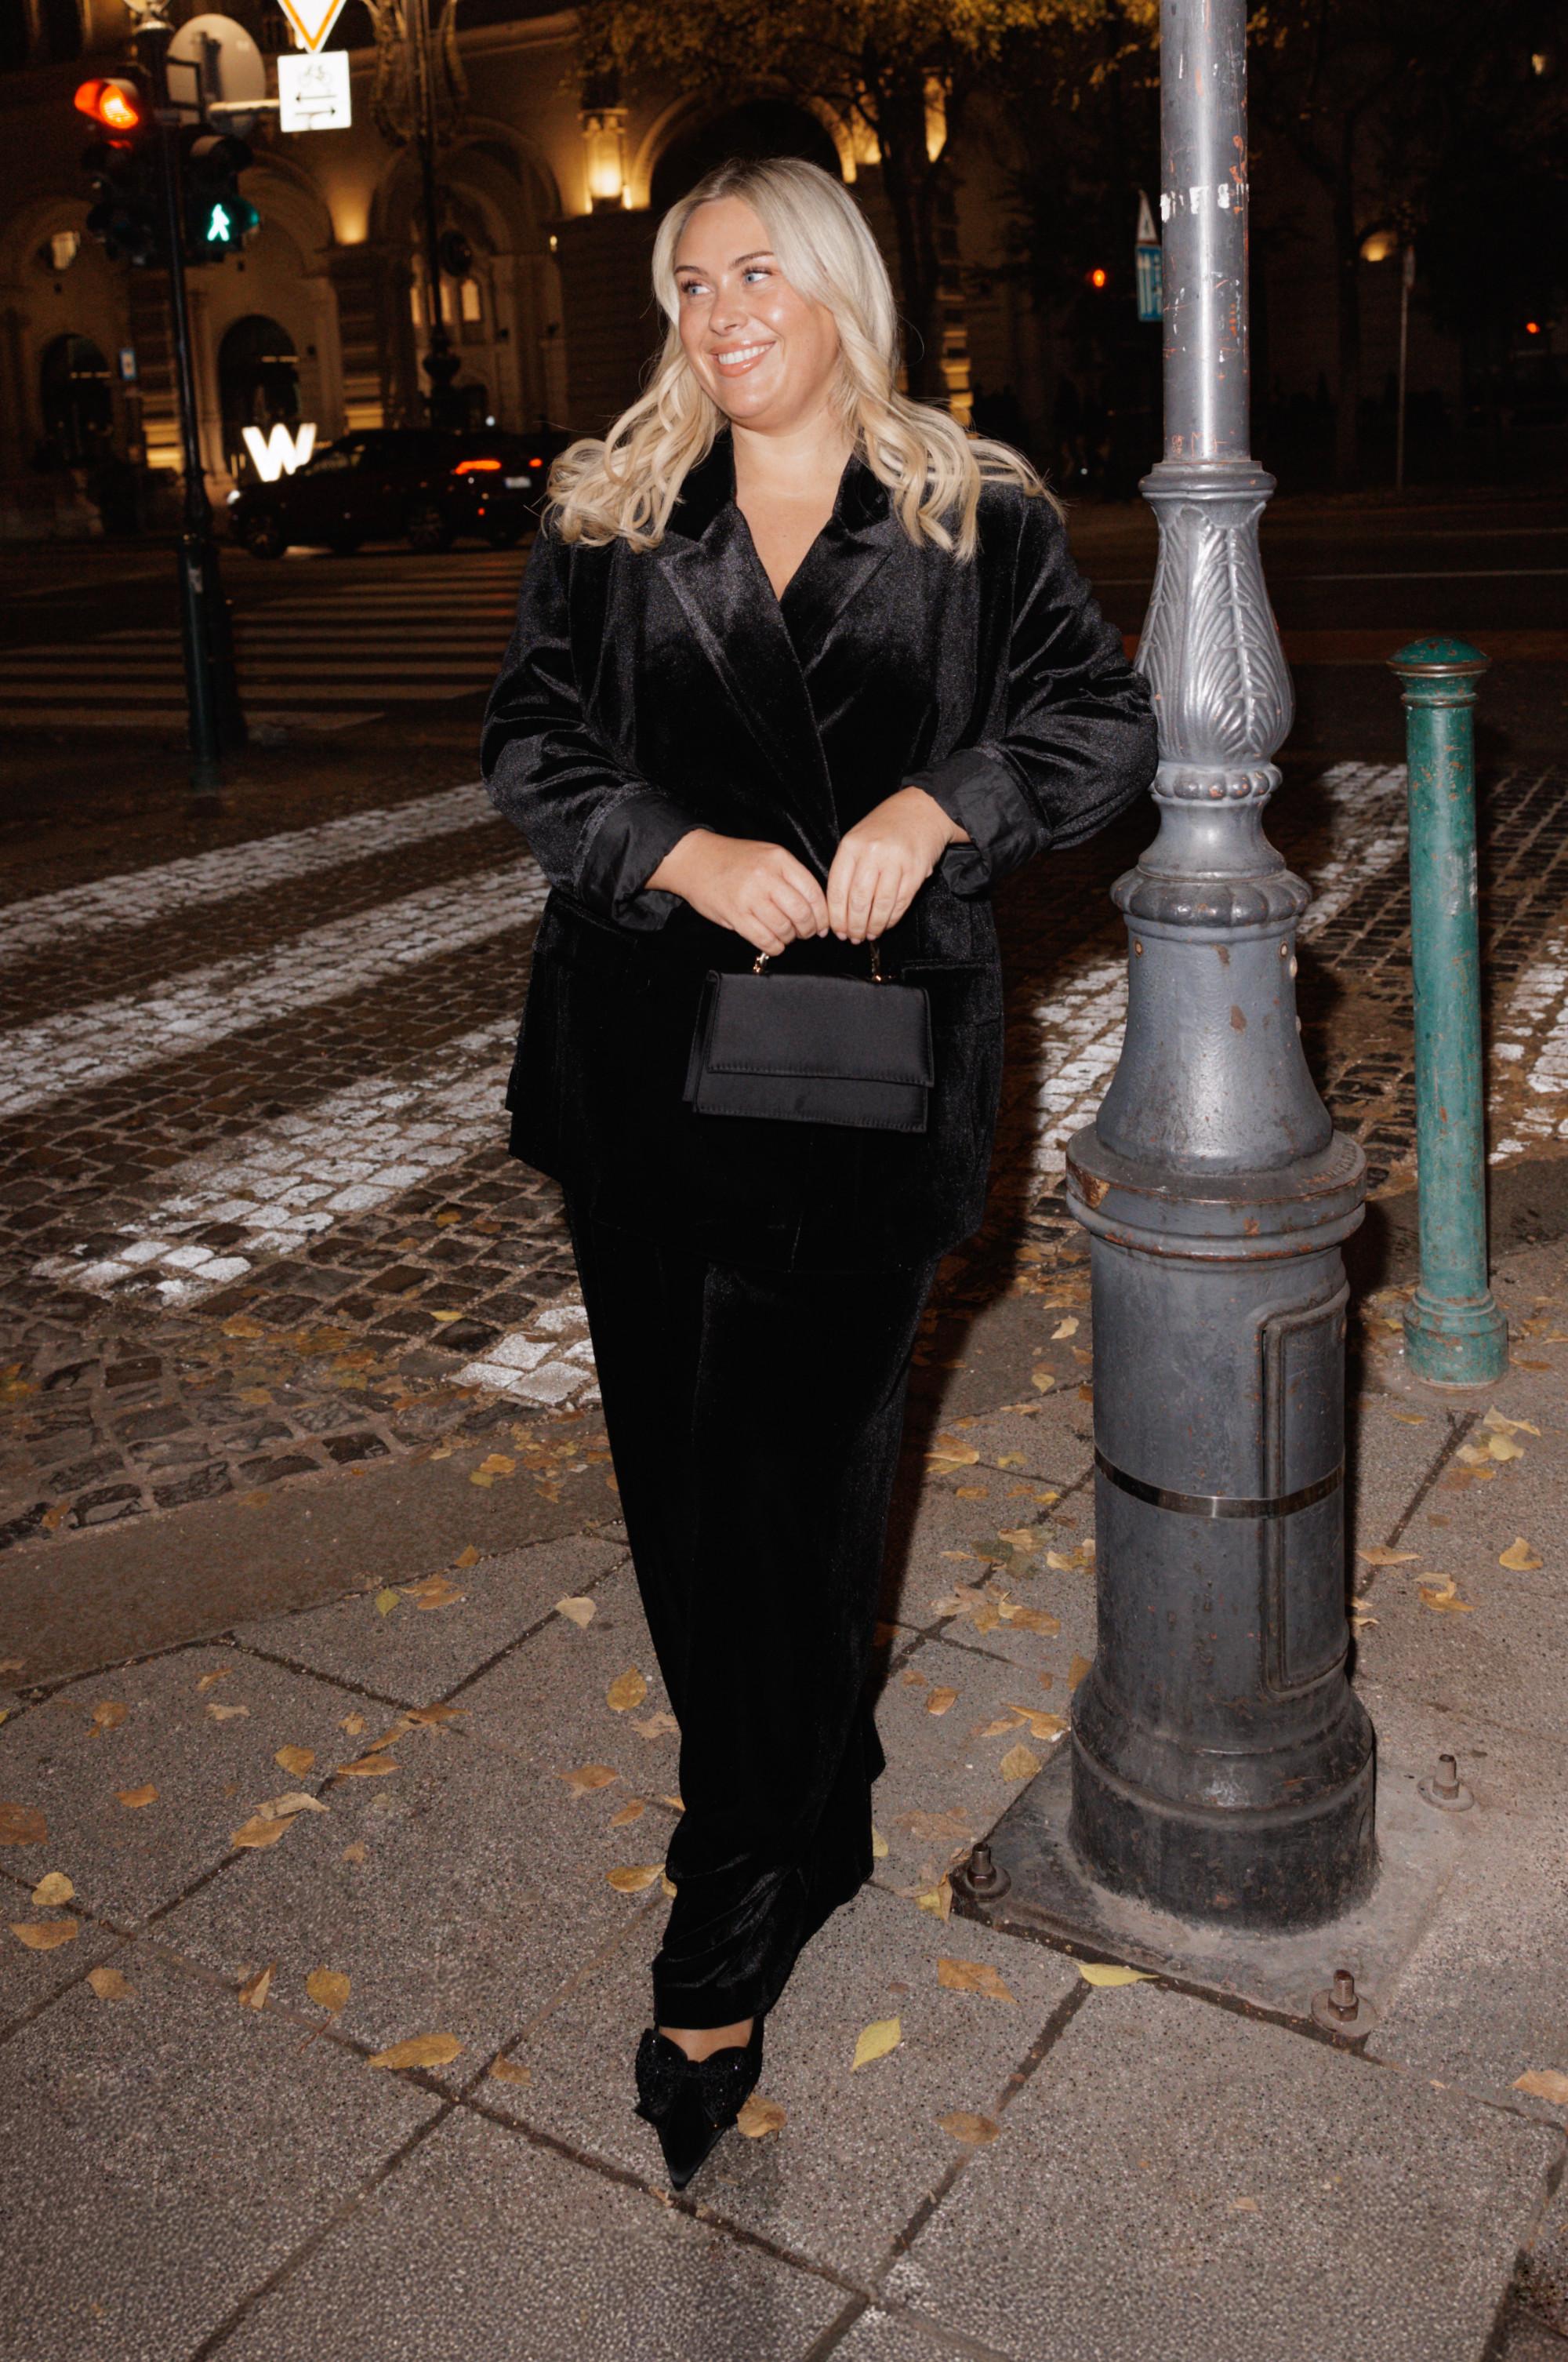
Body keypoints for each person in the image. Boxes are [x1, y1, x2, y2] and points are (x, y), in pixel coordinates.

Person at [480, 153, 1157, 2191]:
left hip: (861, 1094)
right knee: (689, 1510)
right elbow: (530, 745)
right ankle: (807, 1790)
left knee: (800, 1488)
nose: (718, 309)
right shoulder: (614, 514)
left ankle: (729, 1901)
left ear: (840, 287)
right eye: (688, 281)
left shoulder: (976, 518)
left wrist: (946, 805)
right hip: (641, 1081)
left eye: (756, 270)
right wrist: (673, 850)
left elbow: (1105, 736)